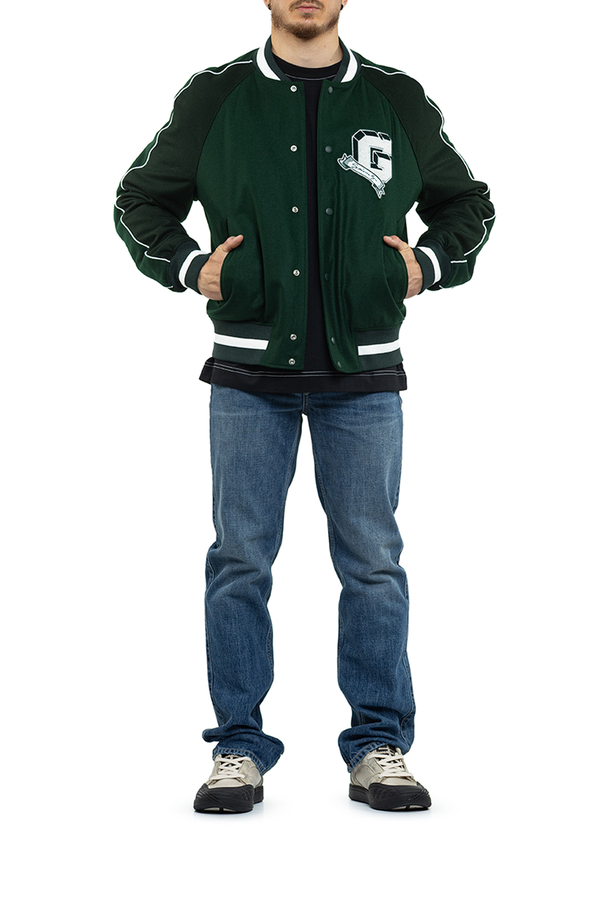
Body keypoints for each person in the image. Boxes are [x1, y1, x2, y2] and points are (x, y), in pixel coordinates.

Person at [114, 0, 494, 814]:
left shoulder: (395, 98)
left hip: (365, 377)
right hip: (249, 374)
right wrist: (187, 265)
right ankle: (238, 748)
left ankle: (378, 745)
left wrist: (429, 263)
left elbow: (469, 202)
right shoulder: (217, 95)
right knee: (240, 562)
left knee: (373, 565)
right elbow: (138, 198)